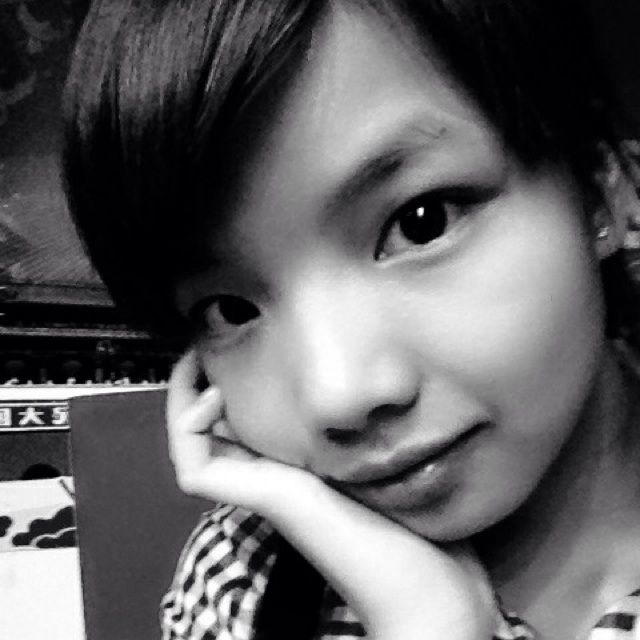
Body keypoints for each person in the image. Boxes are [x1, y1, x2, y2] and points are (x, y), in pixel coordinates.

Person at [62, 0, 640, 638]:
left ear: (600, 186)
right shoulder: (243, 583)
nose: (338, 394)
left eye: (422, 223)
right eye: (231, 309)